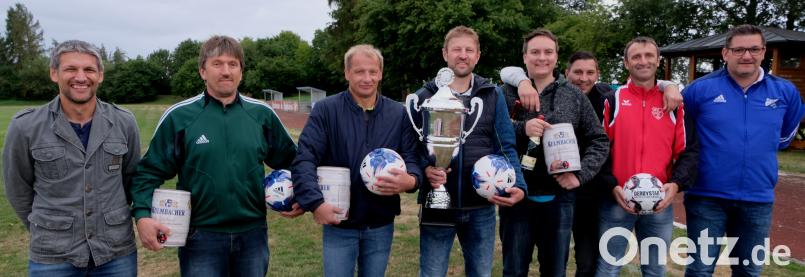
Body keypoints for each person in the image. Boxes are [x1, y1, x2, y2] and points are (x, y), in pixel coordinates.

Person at [501, 50, 682, 277]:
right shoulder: (559, 93)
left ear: (598, 74)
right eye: (577, 72)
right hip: (557, 191)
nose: (583, 78)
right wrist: (523, 81)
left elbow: (642, 84)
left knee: (587, 262)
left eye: (590, 73)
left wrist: (670, 84)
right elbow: (507, 72)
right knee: (540, 260)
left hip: (591, 193)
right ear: (566, 72)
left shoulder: (607, 96)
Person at [130, 35, 300, 276]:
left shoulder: (262, 115)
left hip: (252, 235)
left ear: (241, 72)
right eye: (217, 64)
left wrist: (302, 197)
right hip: (200, 237)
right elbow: (149, 171)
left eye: (233, 64)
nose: (226, 71)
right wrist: (142, 215)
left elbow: (294, 161)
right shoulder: (180, 117)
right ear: (203, 71)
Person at [3, 40, 140, 276]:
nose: (81, 77)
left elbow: (132, 180)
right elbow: (17, 188)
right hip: (52, 255)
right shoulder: (25, 126)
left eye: (89, 69)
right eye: (71, 69)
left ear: (100, 76)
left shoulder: (124, 122)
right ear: (54, 73)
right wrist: (47, 228)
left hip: (115, 252)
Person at [682, 24, 805, 277]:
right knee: (700, 270)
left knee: (749, 271)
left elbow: (784, 137)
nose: (746, 55)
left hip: (757, 198)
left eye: (754, 49)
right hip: (706, 197)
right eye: (739, 50)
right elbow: (682, 134)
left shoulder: (785, 92)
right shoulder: (699, 90)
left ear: (763, 52)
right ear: (725, 53)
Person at [291, 44, 424, 276]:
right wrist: (315, 203)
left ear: (380, 73)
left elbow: (412, 156)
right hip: (338, 222)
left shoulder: (398, 113)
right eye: (359, 71)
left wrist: (412, 179)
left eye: (373, 72)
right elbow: (305, 158)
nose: (367, 78)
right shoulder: (326, 110)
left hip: (381, 223)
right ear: (347, 73)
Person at [411, 25, 527, 277]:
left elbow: (505, 145)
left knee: (481, 273)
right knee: (431, 273)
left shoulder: (492, 94)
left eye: (469, 50)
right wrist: (425, 168)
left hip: (480, 206)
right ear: (445, 54)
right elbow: (412, 147)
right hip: (437, 203)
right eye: (456, 49)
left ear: (477, 55)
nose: (462, 55)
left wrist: (518, 183)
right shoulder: (425, 96)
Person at [496, 29, 609, 277]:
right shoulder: (505, 92)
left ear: (556, 57)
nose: (542, 58)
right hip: (516, 195)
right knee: (513, 271)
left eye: (548, 52)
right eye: (535, 52)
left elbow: (599, 140)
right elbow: (491, 134)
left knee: (555, 271)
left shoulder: (573, 94)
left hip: (559, 199)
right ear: (524, 57)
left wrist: (580, 175)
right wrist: (522, 128)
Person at [595, 36, 698, 277]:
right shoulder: (611, 100)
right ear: (626, 63)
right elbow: (598, 149)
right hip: (617, 199)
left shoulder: (675, 104)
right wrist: (611, 185)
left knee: (655, 269)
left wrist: (676, 184)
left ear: (658, 60)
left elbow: (689, 151)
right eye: (636, 57)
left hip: (659, 201)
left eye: (649, 55)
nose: (643, 61)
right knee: (608, 267)